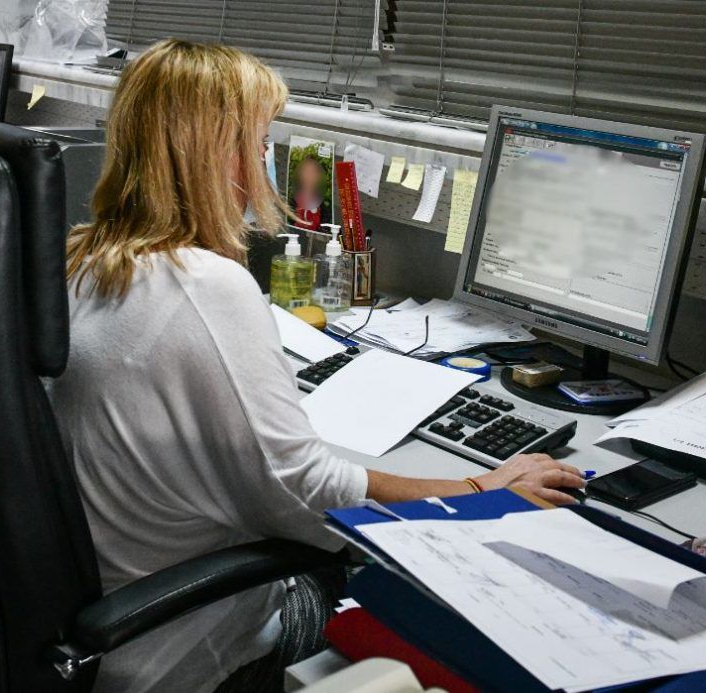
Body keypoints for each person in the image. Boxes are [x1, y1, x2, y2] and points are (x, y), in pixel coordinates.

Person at [48, 38, 584, 693]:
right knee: (428, 595)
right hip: (185, 647)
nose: (263, 164)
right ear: (216, 152)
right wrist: (483, 490)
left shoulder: (85, 260)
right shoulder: (204, 286)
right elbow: (310, 491)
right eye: (258, 143)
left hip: (107, 603)